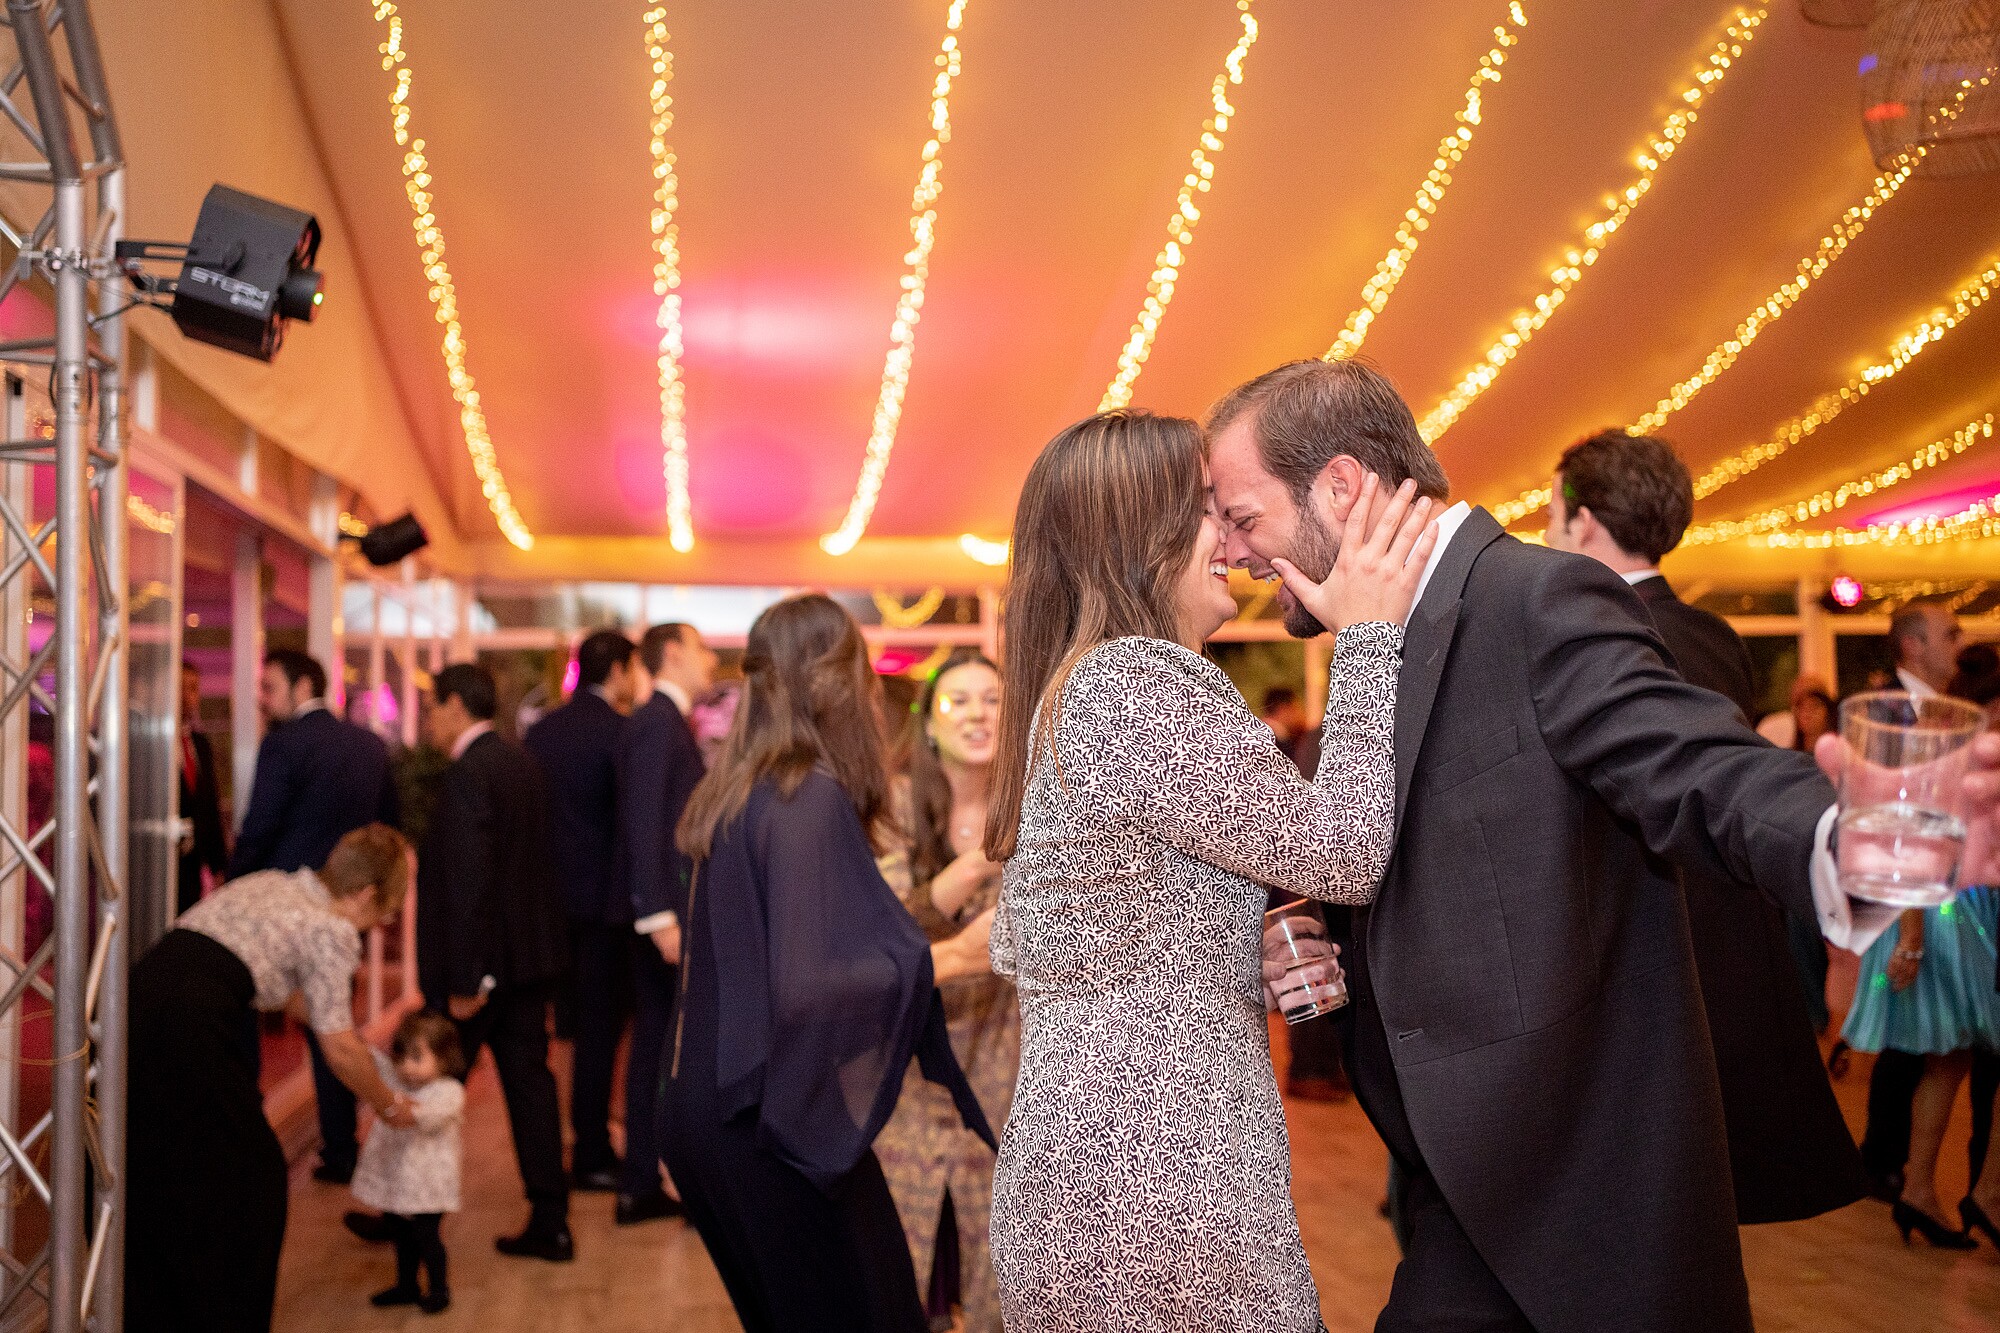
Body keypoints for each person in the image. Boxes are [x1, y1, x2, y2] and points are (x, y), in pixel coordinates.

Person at [1205, 357, 2000, 1333]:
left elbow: (1686, 757)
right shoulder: (1370, 650)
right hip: (1455, 1193)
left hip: (1579, 1197)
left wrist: (1853, 836)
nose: (1234, 553)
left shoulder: (1533, 598)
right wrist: (1324, 935)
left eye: (1243, 517)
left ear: (1338, 486)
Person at [984, 410, 1435, 1333]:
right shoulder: (1141, 683)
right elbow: (1344, 851)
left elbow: (1062, 936)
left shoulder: (1083, 689)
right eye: (1201, 511)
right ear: (1138, 539)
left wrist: (1233, 942)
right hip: (1162, 1177)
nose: (1229, 538)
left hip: (1090, 1170)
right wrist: (1369, 637)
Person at [1545, 428, 1863, 1220]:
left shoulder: (1582, 634)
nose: (1547, 536)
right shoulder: (1713, 634)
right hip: (1728, 953)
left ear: (1584, 521)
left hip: (1643, 970)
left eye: (1553, 515)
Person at [661, 594, 997, 1333]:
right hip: (761, 1121)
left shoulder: (737, 788)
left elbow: (710, 979)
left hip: (709, 1110)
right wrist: (956, 956)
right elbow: (808, 985)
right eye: (862, 669)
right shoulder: (803, 795)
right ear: (837, 681)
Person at [126, 825, 416, 1333]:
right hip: (188, 1029)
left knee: (157, 1170)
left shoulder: (272, 885)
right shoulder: (331, 929)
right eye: (385, 912)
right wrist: (392, 1106)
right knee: (254, 1182)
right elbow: (340, 1051)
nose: (380, 925)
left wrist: (362, 1050)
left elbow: (300, 1001)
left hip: (135, 1007)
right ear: (366, 894)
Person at [876, 649, 1015, 1333]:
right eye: (957, 700)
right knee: (908, 1234)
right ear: (929, 722)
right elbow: (876, 932)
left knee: (1000, 1230)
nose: (977, 713)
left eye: (991, 697)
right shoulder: (895, 804)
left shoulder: (1035, 799)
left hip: (1005, 1044)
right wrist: (965, 872)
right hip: (910, 1050)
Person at [418, 662, 573, 1261]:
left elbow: (469, 883)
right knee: (531, 1090)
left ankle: (411, 1219)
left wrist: (467, 978)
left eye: (433, 707)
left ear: (455, 704)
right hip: (528, 962)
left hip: (481, 973)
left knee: (429, 1085)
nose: (429, 720)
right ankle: (552, 1219)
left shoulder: (470, 773)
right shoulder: (520, 763)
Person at [228, 647, 400, 1185]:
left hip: (286, 908)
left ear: (304, 686)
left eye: (270, 686)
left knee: (248, 1023)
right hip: (348, 908)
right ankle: (341, 1147)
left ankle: (247, 1145)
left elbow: (259, 827)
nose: (262, 698)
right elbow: (389, 829)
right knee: (333, 1023)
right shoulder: (370, 745)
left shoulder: (284, 745)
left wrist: (236, 889)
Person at [1860, 601, 1969, 1200]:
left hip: (1942, 890)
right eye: (1947, 633)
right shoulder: (1888, 713)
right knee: (1914, 1026)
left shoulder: (1943, 711)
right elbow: (1894, 818)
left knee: (1924, 1032)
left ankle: (1891, 1165)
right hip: (1902, 890)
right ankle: (1886, 1165)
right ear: (1912, 647)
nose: (1958, 642)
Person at [523, 629, 638, 1194]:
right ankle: (591, 1151)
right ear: (617, 670)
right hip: (603, 910)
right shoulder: (621, 736)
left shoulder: (541, 733)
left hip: (547, 906)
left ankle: (561, 1141)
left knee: (558, 1030)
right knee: (599, 1032)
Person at [613, 620, 716, 1224]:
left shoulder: (666, 722)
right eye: (703, 648)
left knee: (659, 1042)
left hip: (668, 913)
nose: (711, 661)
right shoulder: (655, 723)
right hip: (662, 919)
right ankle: (644, 1178)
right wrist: (658, 917)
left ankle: (648, 1175)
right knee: (657, 1045)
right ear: (672, 653)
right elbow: (644, 825)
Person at [351, 1010, 468, 1313]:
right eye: (401, 1058)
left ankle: (439, 1289)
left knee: (427, 1237)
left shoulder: (449, 1091)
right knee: (402, 1237)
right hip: (401, 1182)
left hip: (429, 1186)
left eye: (417, 1058)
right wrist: (353, 1043)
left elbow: (436, 1114)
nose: (407, 1067)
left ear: (444, 1058)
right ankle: (406, 1285)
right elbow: (378, 1065)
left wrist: (410, 1112)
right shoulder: (399, 1082)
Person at [176, 660, 228, 914]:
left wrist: (219, 866)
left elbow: (209, 806)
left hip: (192, 866)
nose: (187, 696)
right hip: (157, 863)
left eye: (193, 689)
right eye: (181, 688)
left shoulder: (200, 744)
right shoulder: (151, 743)